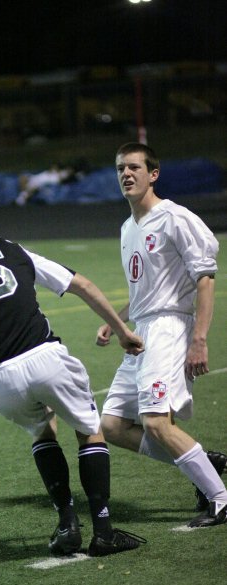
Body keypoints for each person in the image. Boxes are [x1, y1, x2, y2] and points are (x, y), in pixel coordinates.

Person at [0, 180, 147, 557]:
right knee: (89, 432)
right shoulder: (10, 247)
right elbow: (80, 284)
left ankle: (67, 523)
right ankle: (103, 530)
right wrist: (122, 331)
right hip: (45, 358)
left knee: (42, 431)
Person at [96, 142, 227, 528]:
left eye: (135, 167)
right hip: (141, 330)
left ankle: (221, 498)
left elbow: (205, 279)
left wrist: (199, 339)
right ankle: (206, 462)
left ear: (153, 174)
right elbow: (143, 291)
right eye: (121, 168)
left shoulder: (175, 218)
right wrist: (115, 320)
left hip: (170, 329)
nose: (126, 174)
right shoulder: (127, 227)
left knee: (156, 423)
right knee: (113, 425)